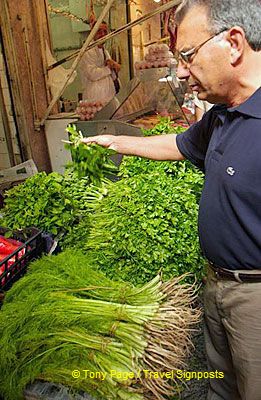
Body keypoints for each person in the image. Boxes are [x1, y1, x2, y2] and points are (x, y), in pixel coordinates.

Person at [81, 1, 261, 399]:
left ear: (233, 44)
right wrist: (117, 141)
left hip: (255, 300)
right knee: (222, 384)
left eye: (188, 56)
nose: (181, 70)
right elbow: (180, 145)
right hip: (216, 284)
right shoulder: (222, 114)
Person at [78, 21, 121, 103]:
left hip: (108, 97)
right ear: (92, 32)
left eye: (105, 31)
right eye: (99, 31)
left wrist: (115, 66)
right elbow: (92, 74)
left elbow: (112, 73)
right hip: (94, 99)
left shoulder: (105, 51)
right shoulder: (87, 51)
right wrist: (109, 68)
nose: (102, 34)